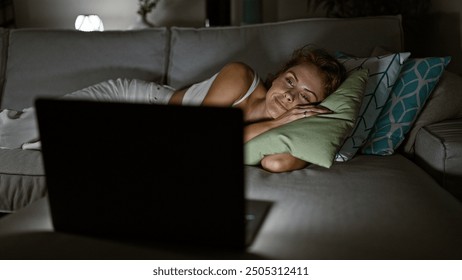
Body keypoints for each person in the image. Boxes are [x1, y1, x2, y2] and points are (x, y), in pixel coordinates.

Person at [166, 45, 346, 172]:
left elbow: (275, 163)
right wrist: (274, 124)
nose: (290, 94)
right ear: (277, 77)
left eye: (305, 96)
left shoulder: (287, 132)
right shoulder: (241, 76)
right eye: (289, 80)